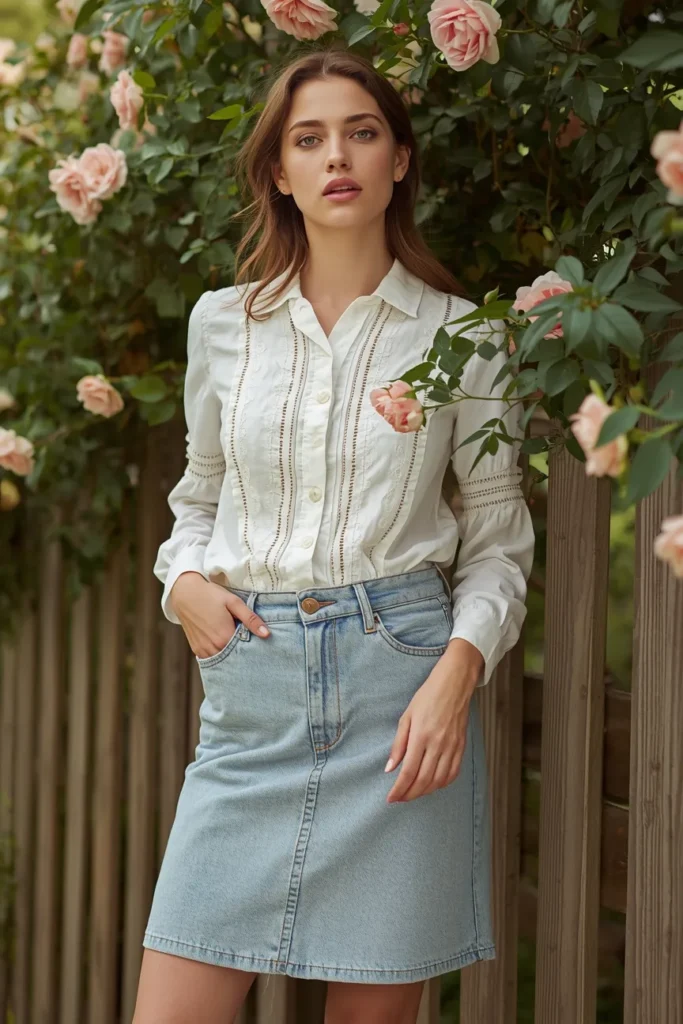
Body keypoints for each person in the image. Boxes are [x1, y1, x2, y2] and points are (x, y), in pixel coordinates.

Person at [132, 46, 534, 1024]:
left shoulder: (465, 338)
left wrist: (454, 676)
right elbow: (196, 500)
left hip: (400, 701)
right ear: (279, 171)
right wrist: (179, 579)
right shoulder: (222, 325)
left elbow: (495, 537)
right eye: (307, 139)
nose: (335, 156)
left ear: (398, 158)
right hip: (252, 695)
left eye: (360, 132)